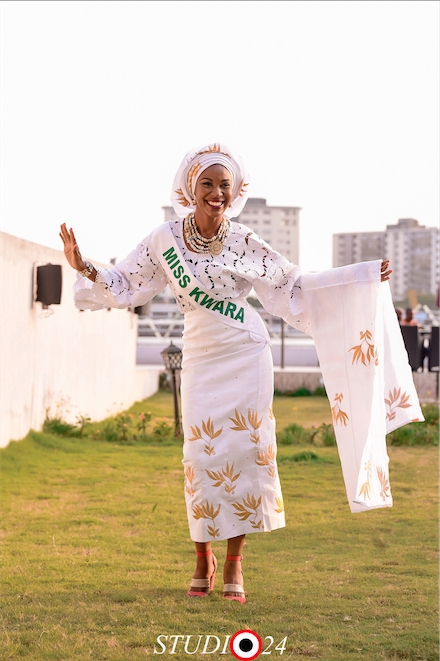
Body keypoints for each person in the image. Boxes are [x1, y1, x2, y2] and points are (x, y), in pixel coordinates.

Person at [60, 142, 410, 606]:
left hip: (246, 353)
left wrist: (362, 276)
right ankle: (201, 556)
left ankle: (233, 563)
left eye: (224, 185)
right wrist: (83, 266)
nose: (216, 193)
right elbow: (126, 283)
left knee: (246, 454)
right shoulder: (164, 239)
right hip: (202, 355)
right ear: (190, 187)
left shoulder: (245, 240)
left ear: (235, 190)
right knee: (200, 459)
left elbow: (292, 284)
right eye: (207, 183)